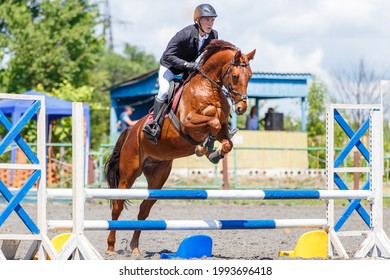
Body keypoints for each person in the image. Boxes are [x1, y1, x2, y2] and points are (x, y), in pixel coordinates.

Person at [143, 3, 218, 144]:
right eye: (207, 19)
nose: (210, 23)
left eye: (212, 20)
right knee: (164, 91)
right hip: (170, 67)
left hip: (189, 69)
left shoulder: (213, 35)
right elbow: (167, 55)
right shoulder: (185, 34)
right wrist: (187, 65)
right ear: (198, 20)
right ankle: (154, 125)